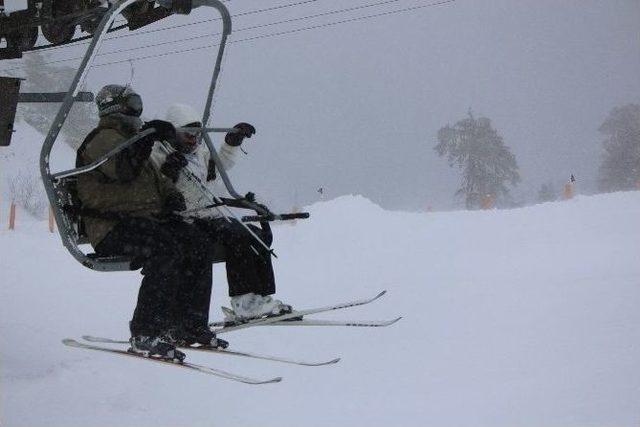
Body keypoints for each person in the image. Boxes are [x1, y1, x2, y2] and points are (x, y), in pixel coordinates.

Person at [75, 85, 226, 362]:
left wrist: (171, 197)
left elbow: (157, 180)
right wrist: (146, 138)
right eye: (133, 104)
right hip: (112, 226)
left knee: (197, 242)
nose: (138, 111)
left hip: (142, 221)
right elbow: (123, 170)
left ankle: (188, 325)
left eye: (139, 104)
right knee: (166, 248)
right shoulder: (104, 139)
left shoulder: (131, 140)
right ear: (116, 108)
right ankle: (145, 332)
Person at [151, 103, 292, 324]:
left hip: (207, 213)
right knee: (238, 236)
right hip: (185, 217)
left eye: (197, 135)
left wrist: (231, 144)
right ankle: (244, 302)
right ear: (173, 132)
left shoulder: (198, 152)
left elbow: (218, 166)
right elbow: (151, 186)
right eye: (187, 134)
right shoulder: (159, 153)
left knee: (255, 235)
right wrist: (169, 171)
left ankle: (260, 296)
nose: (193, 140)